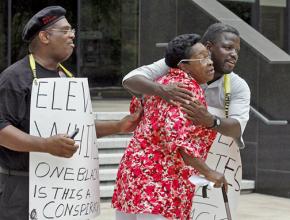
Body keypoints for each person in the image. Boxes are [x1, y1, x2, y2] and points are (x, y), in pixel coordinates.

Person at [0, 6, 141, 220]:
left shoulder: (67, 78)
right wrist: (44, 145)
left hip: (64, 189)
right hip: (22, 188)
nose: (72, 35)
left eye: (71, 30)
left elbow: (80, 127)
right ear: (45, 36)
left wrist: (119, 126)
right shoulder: (15, 78)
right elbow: (1, 130)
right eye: (65, 31)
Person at [112, 34, 228, 220]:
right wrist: (209, 172)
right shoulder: (186, 90)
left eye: (209, 56)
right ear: (183, 65)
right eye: (202, 58)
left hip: (133, 175)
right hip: (161, 183)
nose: (210, 63)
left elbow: (136, 109)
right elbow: (178, 141)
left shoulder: (158, 82)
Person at [123, 23, 251, 148]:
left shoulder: (238, 85)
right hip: (164, 153)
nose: (234, 55)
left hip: (212, 156)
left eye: (236, 51)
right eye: (228, 48)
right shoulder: (180, 62)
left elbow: (237, 127)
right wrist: (162, 90)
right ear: (208, 47)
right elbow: (130, 79)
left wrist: (211, 121)